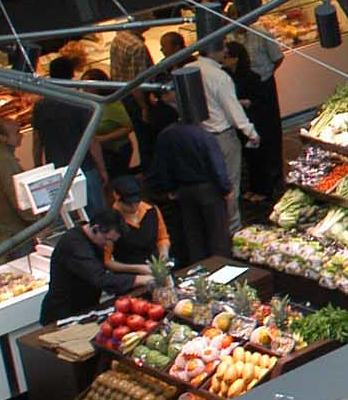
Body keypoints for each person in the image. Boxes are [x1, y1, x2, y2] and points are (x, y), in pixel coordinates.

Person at [162, 32, 259, 231]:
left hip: (196, 138)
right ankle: (232, 229)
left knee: (208, 186)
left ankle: (213, 228)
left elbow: (173, 100)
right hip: (221, 137)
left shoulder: (188, 70)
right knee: (230, 185)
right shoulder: (220, 77)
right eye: (223, 47)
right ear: (214, 51)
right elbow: (232, 110)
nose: (226, 51)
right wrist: (251, 133)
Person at [144, 104, 230, 265]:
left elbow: (162, 165)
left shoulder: (166, 135)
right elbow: (216, 165)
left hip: (182, 191)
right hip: (208, 189)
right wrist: (225, 188)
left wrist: (168, 189)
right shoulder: (204, 136)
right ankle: (221, 266)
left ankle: (199, 268)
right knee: (217, 233)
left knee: (192, 234)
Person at [37, 209, 141, 323]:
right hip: (63, 313)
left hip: (86, 308)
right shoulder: (74, 244)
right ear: (96, 228)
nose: (108, 245)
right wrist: (139, 279)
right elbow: (99, 278)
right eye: (107, 239)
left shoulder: (92, 238)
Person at [30, 54, 95, 189]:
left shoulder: (40, 106)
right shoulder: (81, 102)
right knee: (93, 205)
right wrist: (102, 168)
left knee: (67, 206)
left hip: (56, 168)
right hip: (84, 165)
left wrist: (38, 166)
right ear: (72, 74)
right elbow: (91, 140)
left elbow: (37, 141)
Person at [105, 174, 169, 277]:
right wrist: (137, 268)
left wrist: (164, 254)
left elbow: (162, 238)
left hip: (157, 270)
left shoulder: (151, 210)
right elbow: (107, 261)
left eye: (137, 202)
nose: (134, 207)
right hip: (131, 277)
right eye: (128, 204)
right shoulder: (110, 221)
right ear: (116, 196)